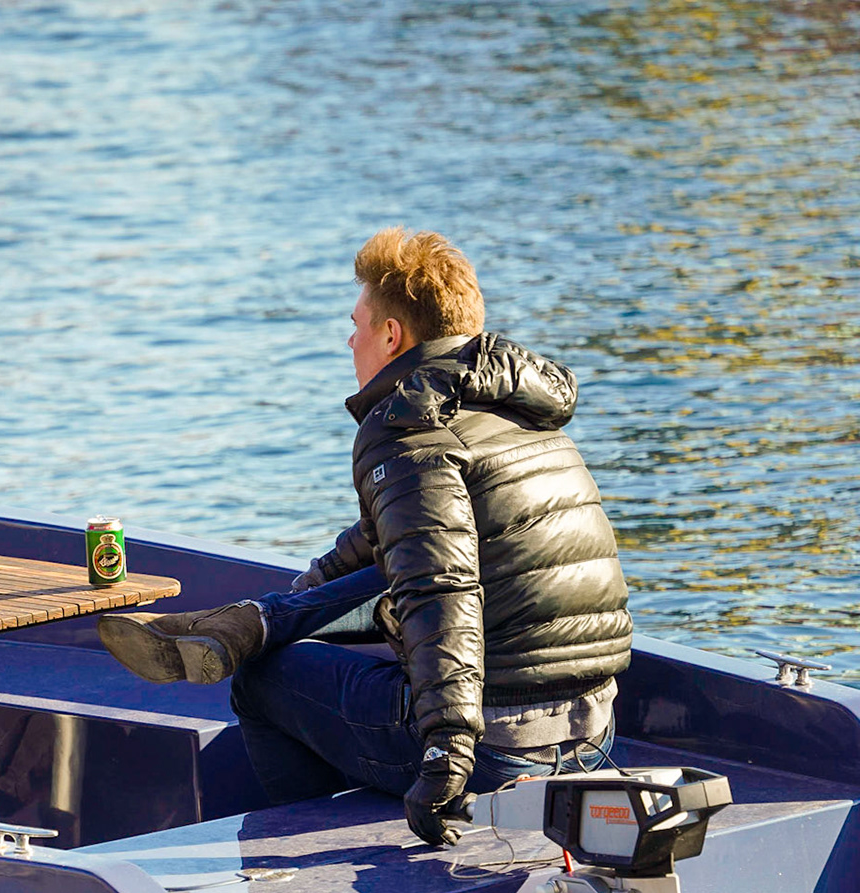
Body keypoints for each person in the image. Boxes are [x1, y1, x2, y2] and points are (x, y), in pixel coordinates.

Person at [99, 228, 632, 846]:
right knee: (378, 583)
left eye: (357, 324)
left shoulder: (406, 436)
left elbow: (442, 589)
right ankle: (255, 620)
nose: (350, 340)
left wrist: (446, 756)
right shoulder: (513, 407)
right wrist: (309, 591)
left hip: (497, 753)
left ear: (391, 335)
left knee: (262, 680)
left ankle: (307, 839)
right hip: (594, 734)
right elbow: (397, 537)